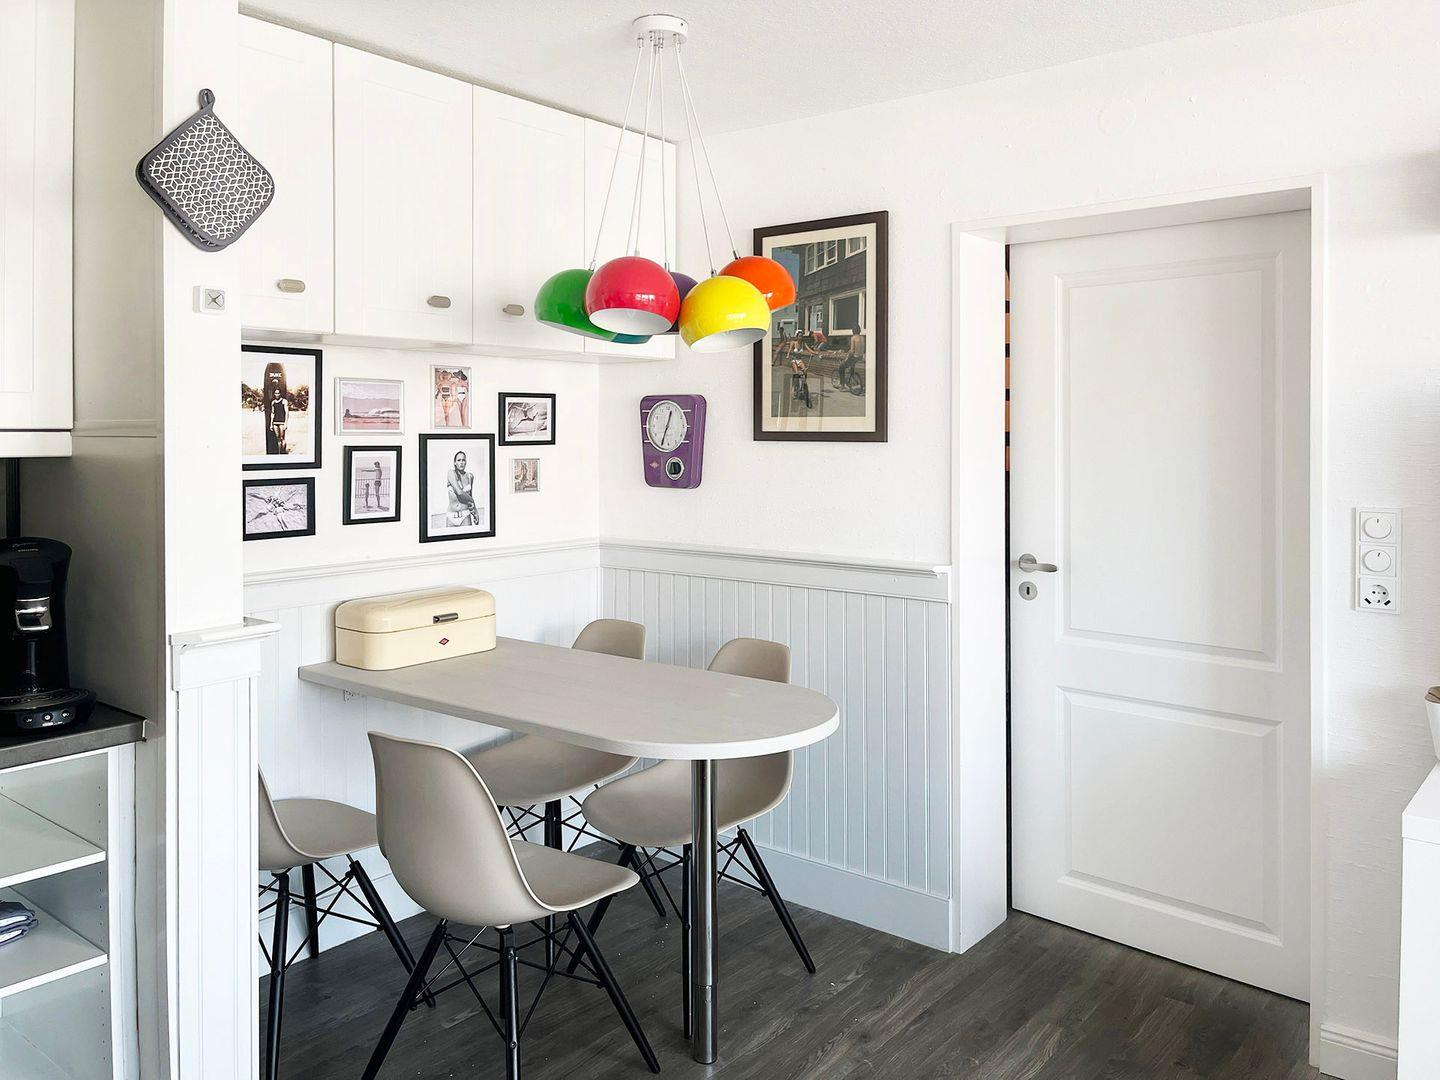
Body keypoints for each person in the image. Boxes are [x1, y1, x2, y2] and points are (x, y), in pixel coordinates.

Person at [446, 451, 478, 527]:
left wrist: (475, 512)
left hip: (465, 515)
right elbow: (459, 492)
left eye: (463, 460)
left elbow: (469, 496)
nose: (461, 463)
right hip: (451, 516)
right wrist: (473, 501)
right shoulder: (451, 473)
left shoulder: (470, 476)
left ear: (466, 462)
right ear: (455, 463)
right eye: (459, 460)